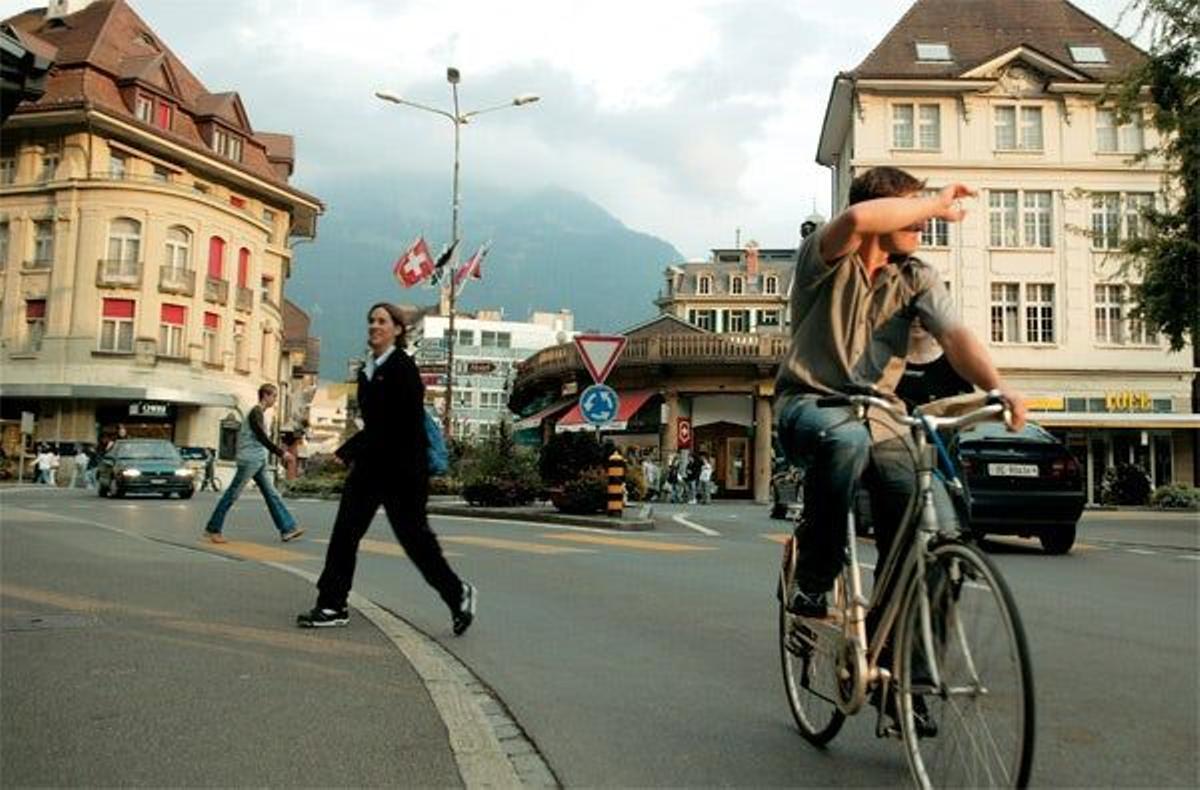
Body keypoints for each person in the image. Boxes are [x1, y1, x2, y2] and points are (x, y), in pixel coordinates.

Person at [775, 166, 1027, 620]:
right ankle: (813, 578)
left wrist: (999, 387)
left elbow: (954, 337)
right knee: (844, 439)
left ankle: (900, 667)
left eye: (922, 212)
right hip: (810, 406)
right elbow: (855, 222)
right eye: (912, 212)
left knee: (932, 526)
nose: (924, 223)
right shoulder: (825, 256)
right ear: (881, 213)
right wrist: (936, 201)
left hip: (884, 419)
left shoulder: (918, 278)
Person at [297, 302, 475, 635]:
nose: (374, 326)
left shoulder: (402, 369)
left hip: (404, 471)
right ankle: (332, 604)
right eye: (371, 321)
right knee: (344, 534)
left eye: (382, 321)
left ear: (397, 329)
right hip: (370, 468)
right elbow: (377, 423)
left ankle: (457, 594)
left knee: (416, 542)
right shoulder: (369, 369)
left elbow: (397, 424)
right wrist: (355, 452)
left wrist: (349, 449)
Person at [203, 384, 304, 544]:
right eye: (274, 396)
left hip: (258, 460)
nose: (275, 400)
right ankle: (213, 529)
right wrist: (282, 453)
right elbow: (262, 437)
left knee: (272, 494)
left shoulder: (260, 413)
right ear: (265, 395)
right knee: (232, 494)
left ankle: (287, 529)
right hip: (250, 460)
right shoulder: (255, 412)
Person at [895, 318, 973, 409]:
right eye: (913, 312)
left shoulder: (953, 362)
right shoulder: (888, 362)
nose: (917, 319)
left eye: (923, 313)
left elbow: (968, 404)